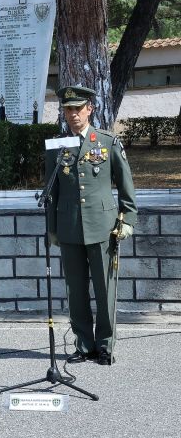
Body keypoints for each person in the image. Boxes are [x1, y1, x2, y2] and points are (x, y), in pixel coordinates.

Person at [46, 86, 137, 366]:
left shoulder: (107, 142)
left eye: (78, 109)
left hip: (102, 227)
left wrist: (128, 219)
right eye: (68, 110)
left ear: (90, 109)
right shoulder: (57, 147)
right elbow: (51, 192)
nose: (73, 115)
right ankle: (84, 345)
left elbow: (125, 185)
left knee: (105, 288)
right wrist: (53, 229)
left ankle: (105, 345)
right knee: (76, 290)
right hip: (70, 228)